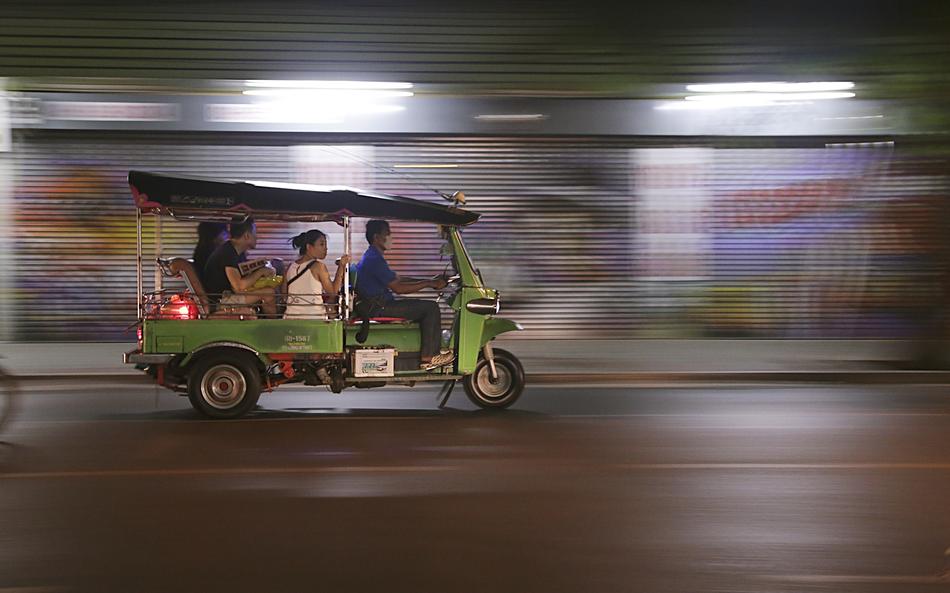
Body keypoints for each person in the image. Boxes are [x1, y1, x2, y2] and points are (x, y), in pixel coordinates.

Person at [355, 219, 453, 369]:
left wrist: (430, 280)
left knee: (425, 306)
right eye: (387, 234)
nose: (390, 237)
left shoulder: (373, 256)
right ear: (376, 237)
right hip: (380, 308)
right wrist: (429, 284)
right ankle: (430, 356)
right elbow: (399, 288)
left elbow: (398, 279)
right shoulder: (374, 259)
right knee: (430, 308)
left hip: (380, 304)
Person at [203, 218, 277, 317]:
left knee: (268, 289)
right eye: (255, 233)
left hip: (228, 295)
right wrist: (261, 272)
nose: (257, 237)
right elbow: (239, 285)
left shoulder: (236, 252)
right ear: (247, 235)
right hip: (220, 300)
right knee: (269, 293)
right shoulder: (228, 253)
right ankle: (273, 326)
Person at [284, 229, 350, 320]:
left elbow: (284, 294)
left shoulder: (290, 267)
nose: (326, 248)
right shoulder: (319, 267)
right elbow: (333, 292)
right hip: (314, 317)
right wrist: (341, 266)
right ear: (309, 247)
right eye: (322, 244)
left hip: (290, 317)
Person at [192, 222, 228, 287]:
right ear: (214, 237)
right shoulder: (211, 256)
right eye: (224, 233)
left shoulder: (200, 251)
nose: (227, 236)